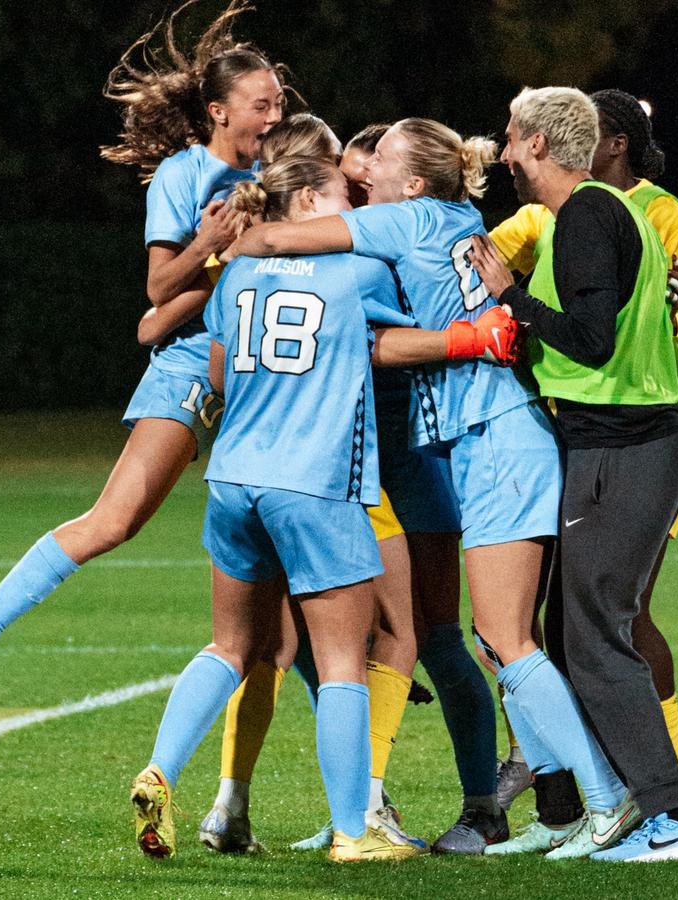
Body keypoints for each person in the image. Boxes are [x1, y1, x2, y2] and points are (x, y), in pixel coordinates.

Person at [224, 116, 630, 856]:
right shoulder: (455, 214)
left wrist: (242, 245)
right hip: (483, 437)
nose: (364, 168)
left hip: (495, 436)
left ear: (411, 182)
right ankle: (566, 811)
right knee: (490, 637)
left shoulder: (405, 218)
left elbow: (281, 241)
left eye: (379, 158)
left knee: (503, 637)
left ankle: (605, 797)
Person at [0, 1, 282, 707]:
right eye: (260, 104)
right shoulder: (185, 177)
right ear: (217, 111)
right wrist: (212, 253)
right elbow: (158, 287)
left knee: (276, 577)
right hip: (192, 369)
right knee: (114, 521)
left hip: (263, 374)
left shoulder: (279, 169)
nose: (273, 115)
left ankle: (247, 797)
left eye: (279, 102)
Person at [129, 155, 421, 862]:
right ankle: (355, 831)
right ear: (310, 201)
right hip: (315, 484)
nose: (355, 209)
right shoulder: (359, 271)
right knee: (344, 660)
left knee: (230, 646)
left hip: (234, 481)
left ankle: (161, 769)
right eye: (341, 196)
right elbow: (404, 340)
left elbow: (223, 371)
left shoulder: (235, 274)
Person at [470, 86, 678, 863]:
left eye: (513, 139)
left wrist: (510, 300)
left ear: (542, 144)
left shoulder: (585, 213)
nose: (505, 153)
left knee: (596, 636)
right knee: (583, 634)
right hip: (612, 443)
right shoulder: (597, 212)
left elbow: (590, 339)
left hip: (628, 445)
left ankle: (676, 820)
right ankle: (632, 813)